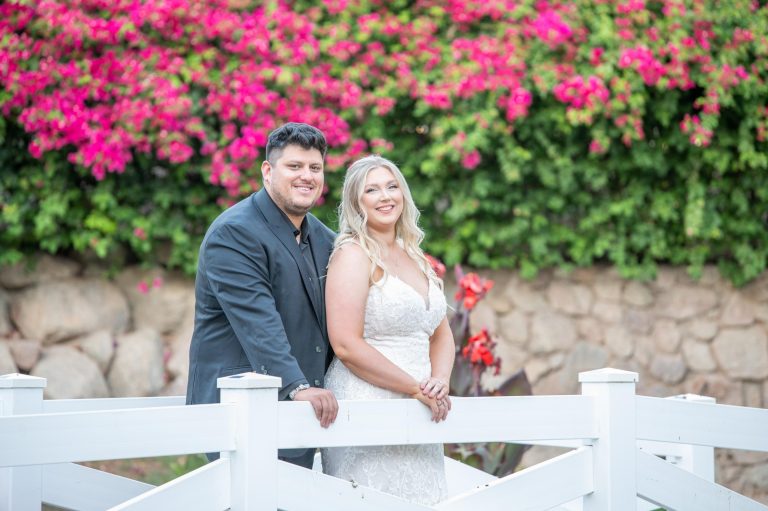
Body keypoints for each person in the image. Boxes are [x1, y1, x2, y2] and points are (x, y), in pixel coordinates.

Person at [186, 122, 339, 468]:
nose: (307, 176)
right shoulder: (234, 233)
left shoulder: (326, 239)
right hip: (240, 414)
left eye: (315, 168)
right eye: (295, 166)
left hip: (303, 415)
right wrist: (298, 386)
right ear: (268, 171)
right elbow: (258, 322)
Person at [321, 155, 455, 505]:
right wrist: (414, 387)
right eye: (372, 189)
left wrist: (439, 380)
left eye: (392, 186)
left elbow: (440, 333)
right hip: (369, 399)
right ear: (356, 202)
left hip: (424, 403)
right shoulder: (352, 254)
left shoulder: (415, 255)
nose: (385, 196)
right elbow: (346, 344)